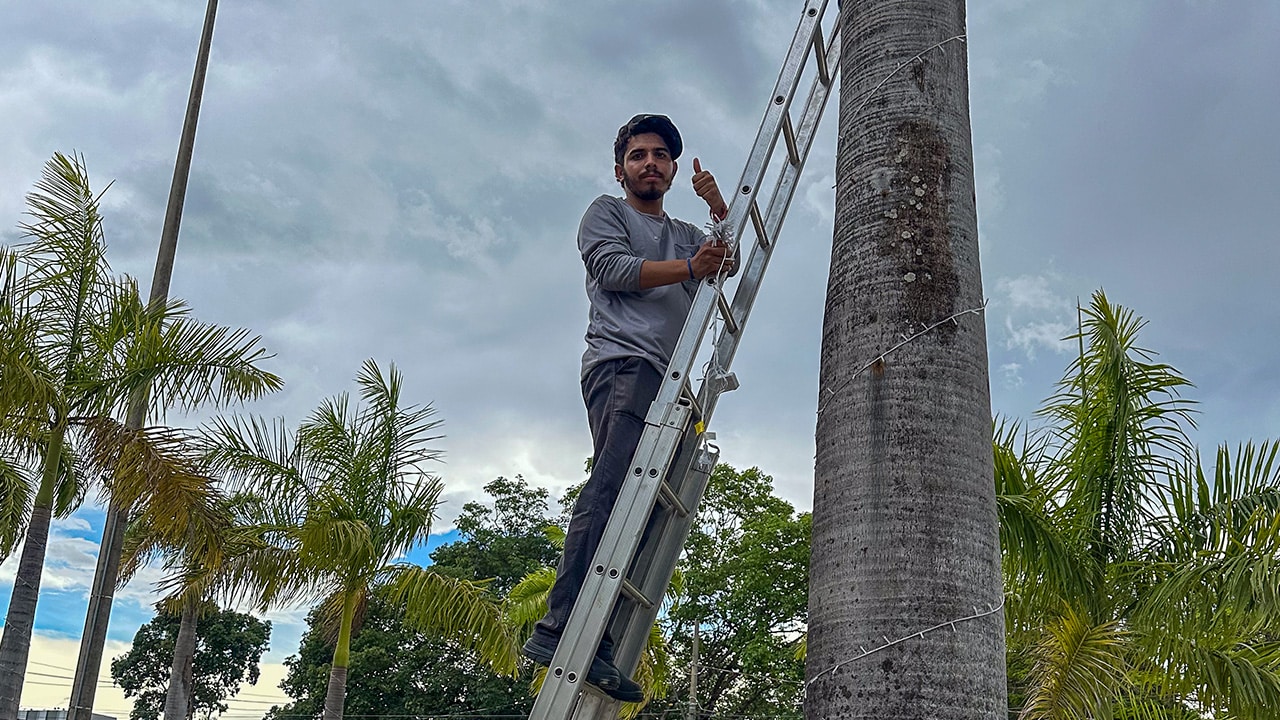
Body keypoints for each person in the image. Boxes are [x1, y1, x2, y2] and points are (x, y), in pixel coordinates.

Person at [522, 114, 735, 702]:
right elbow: (613, 271)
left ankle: (599, 643)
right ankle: (557, 628)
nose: (650, 163)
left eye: (660, 155)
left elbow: (728, 263)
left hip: (669, 380)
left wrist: (720, 210)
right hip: (624, 365)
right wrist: (690, 268)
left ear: (673, 169)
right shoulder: (606, 213)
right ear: (621, 170)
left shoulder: (687, 232)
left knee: (642, 514)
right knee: (613, 487)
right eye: (638, 155)